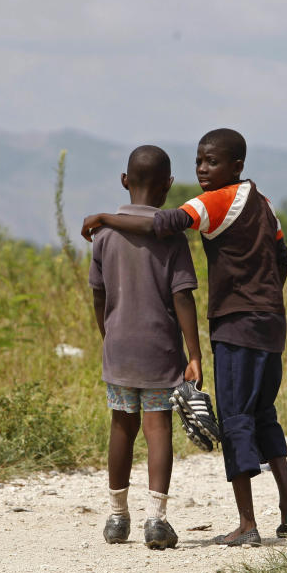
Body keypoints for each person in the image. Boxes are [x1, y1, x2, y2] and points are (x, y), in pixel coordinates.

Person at [82, 129, 287, 546]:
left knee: (232, 416)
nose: (203, 170)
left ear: (237, 166)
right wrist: (265, 297)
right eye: (199, 162)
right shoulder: (264, 203)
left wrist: (104, 218)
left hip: (227, 323)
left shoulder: (210, 203)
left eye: (212, 162)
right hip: (268, 322)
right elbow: (282, 257)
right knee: (260, 413)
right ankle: (286, 505)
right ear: (169, 181)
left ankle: (245, 524)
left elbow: (160, 227)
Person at [88, 145, 203, 550]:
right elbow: (183, 297)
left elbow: (99, 296)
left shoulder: (104, 234)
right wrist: (194, 354)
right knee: (158, 431)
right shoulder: (169, 236)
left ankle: (117, 518)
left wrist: (108, 335)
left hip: (118, 347)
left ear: (124, 181)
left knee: (121, 426)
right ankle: (157, 520)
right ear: (169, 186)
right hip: (159, 352)